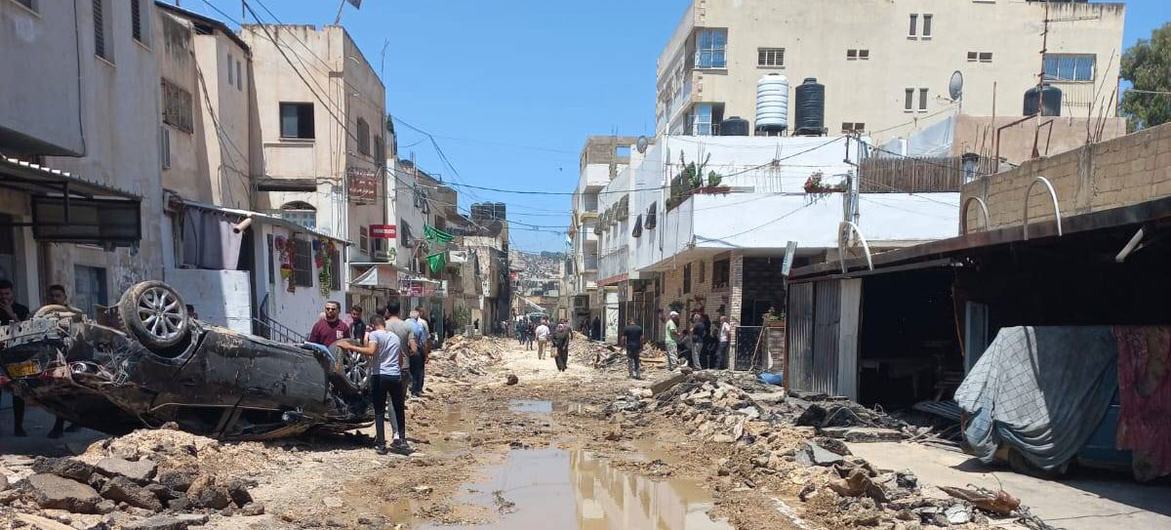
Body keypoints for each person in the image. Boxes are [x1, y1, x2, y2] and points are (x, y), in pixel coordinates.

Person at [337, 312, 414, 456]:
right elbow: (400, 360)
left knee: (379, 411)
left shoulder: (375, 335)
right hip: (395, 376)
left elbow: (371, 351)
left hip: (380, 376)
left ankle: (381, 444)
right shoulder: (395, 337)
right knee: (398, 409)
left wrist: (350, 347)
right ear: (383, 324)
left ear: (372, 326)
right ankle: (402, 440)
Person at [42, 285, 79, 438]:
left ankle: (59, 426)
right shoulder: (43, 314)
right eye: (52, 296)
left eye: (58, 295)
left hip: (71, 356)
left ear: (64, 297)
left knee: (66, 392)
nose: (54, 299)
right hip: (51, 357)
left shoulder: (75, 313)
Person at [1, 279, 30, 437]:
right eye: (1, 294)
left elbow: (25, 331)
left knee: (18, 392)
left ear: (12, 293)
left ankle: (18, 426)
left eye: (7, 293)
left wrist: (11, 313)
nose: (4, 297)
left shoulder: (22, 309)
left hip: (16, 355)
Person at [407, 310, 429, 397]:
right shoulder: (419, 326)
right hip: (416, 350)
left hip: (405, 350)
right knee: (418, 370)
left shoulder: (404, 323)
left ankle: (410, 388)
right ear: (417, 317)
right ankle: (416, 390)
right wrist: (426, 354)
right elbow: (423, 341)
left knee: (409, 370)